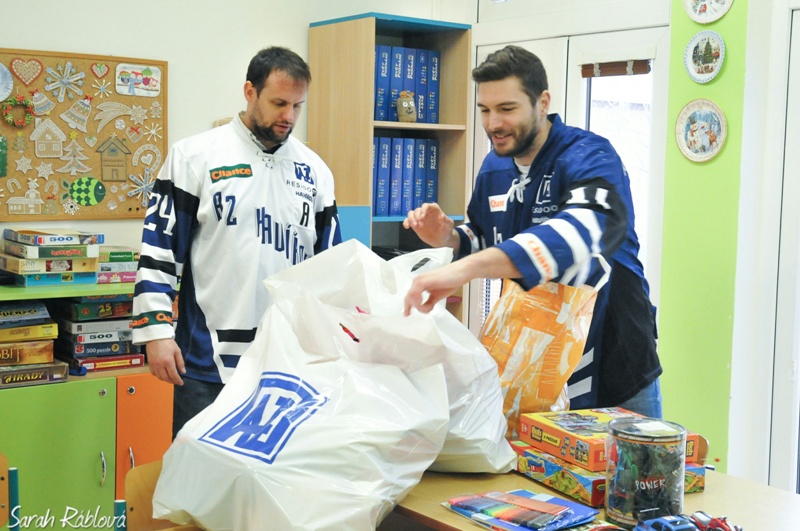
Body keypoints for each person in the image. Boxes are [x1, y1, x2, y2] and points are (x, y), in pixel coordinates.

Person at [402, 45, 662, 417]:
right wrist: (450, 238)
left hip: (615, 365)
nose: (493, 123)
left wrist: (462, 270)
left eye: (507, 109)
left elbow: (578, 232)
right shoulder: (495, 167)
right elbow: (487, 238)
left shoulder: (590, 156)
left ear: (542, 103)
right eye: (485, 110)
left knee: (632, 458)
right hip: (536, 367)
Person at [132, 46, 343, 437]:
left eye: (297, 106)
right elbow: (159, 250)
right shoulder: (194, 156)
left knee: (274, 472)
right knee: (199, 472)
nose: (289, 116)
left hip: (287, 364)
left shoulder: (316, 172)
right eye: (279, 103)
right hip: (207, 362)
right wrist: (156, 332)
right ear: (250, 91)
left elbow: (329, 268)